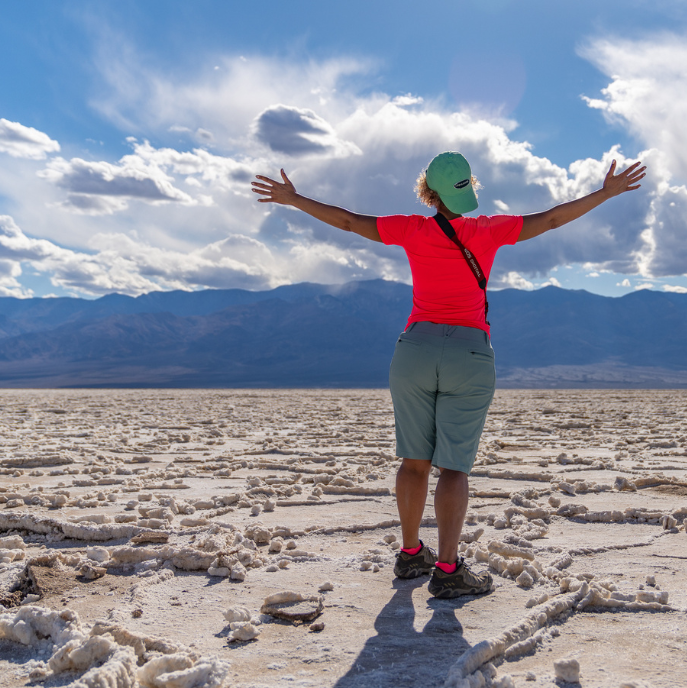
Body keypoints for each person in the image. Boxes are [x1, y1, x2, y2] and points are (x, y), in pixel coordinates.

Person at [251, 152, 645, 598]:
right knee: (453, 467)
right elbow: (552, 220)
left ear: (429, 193)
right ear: (468, 188)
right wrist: (605, 193)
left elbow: (346, 222)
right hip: (468, 353)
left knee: (413, 461)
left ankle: (409, 553)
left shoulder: (411, 228)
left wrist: (295, 199)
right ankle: (448, 569)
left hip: (414, 350)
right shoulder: (488, 230)